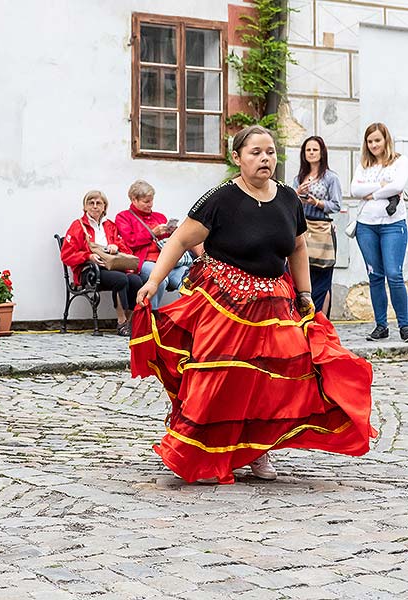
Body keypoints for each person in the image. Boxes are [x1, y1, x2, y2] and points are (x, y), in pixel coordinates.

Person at [130, 125, 375, 485]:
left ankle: (258, 450)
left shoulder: (289, 198)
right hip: (223, 299)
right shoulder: (220, 199)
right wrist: (153, 282)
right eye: (256, 152)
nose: (265, 159)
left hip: (274, 302)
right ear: (237, 158)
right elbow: (180, 240)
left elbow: (298, 247)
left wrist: (304, 294)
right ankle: (205, 452)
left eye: (271, 152)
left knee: (272, 378)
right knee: (220, 375)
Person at [350, 122, 408, 342]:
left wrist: (372, 193)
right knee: (375, 276)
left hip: (393, 225)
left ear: (386, 140)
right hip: (366, 226)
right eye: (370, 141)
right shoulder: (364, 165)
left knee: (394, 275)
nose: (374, 144)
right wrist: (383, 187)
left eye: (377, 140)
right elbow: (355, 189)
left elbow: (398, 185)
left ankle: (405, 325)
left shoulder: (399, 161)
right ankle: (381, 326)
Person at [60, 190, 143, 336]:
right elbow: (66, 255)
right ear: (85, 207)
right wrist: (88, 256)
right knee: (121, 279)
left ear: (104, 207)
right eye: (90, 203)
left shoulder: (110, 226)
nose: (95, 206)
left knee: (136, 280)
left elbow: (126, 251)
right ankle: (121, 321)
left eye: (99, 203)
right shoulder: (78, 226)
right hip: (90, 272)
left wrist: (116, 247)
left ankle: (129, 321)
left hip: (112, 268)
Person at [115, 180, 187, 308]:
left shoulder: (159, 217)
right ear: (133, 199)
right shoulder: (124, 217)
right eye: (146, 201)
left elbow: (165, 242)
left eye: (151, 200)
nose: (150, 204)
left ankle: (185, 318)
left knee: (188, 278)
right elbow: (129, 242)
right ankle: (150, 318)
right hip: (143, 261)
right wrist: (152, 233)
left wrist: (171, 233)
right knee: (159, 280)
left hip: (166, 260)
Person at [292, 136, 342, 315]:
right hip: (303, 228)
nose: (311, 153)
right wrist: (298, 193)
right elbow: (291, 203)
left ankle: (321, 320)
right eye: (308, 150)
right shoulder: (299, 178)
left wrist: (317, 203)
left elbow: (336, 205)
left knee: (322, 276)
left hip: (321, 230)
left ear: (322, 153)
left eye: (315, 150)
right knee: (300, 273)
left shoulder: (330, 178)